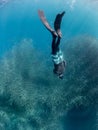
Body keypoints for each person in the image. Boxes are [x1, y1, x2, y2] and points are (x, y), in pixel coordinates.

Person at [38, 10, 66, 79]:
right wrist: (56, 72)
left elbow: (65, 62)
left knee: (57, 47)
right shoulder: (57, 73)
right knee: (53, 48)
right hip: (56, 60)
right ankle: (55, 37)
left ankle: (58, 37)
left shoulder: (64, 70)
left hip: (61, 58)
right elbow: (54, 70)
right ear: (60, 76)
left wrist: (62, 62)